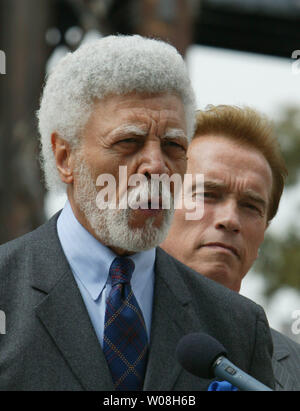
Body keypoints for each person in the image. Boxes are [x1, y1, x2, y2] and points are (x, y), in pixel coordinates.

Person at [0, 36, 275, 391]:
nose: (156, 166)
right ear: (64, 157)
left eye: (174, 146)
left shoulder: (238, 326)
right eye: (128, 142)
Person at [161, 105, 300, 391]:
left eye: (250, 206)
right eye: (208, 195)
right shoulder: (105, 331)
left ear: (262, 236)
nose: (230, 220)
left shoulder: (295, 368)